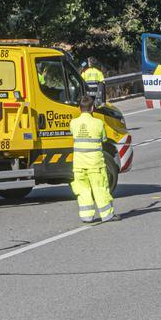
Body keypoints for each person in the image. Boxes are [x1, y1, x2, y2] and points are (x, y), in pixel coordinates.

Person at [69, 94, 115, 223]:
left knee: (82, 190)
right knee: (100, 188)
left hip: (78, 164)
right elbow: (103, 139)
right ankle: (107, 215)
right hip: (95, 163)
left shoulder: (74, 123)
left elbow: (74, 134)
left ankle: (87, 216)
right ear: (92, 108)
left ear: (79, 108)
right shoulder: (98, 123)